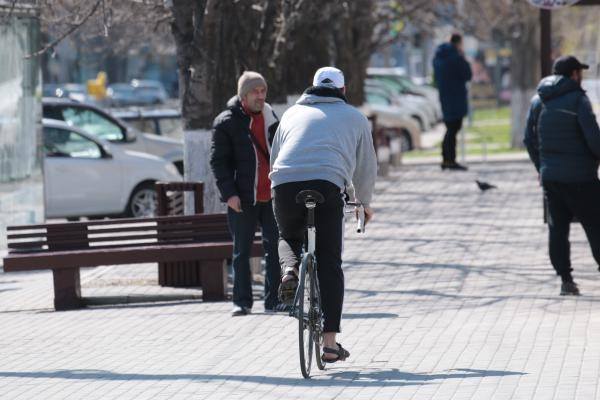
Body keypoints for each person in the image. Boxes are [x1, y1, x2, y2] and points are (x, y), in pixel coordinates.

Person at [270, 67, 377, 363]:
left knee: (288, 235)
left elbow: (274, 154)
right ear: (343, 91)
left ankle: (289, 270)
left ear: (312, 88)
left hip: (285, 183)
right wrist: (364, 203)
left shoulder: (291, 114)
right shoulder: (355, 118)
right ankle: (330, 344)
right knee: (330, 262)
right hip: (327, 184)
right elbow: (366, 167)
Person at [210, 71, 285, 316]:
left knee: (275, 249)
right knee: (241, 251)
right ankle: (241, 302)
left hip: (272, 196)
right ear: (243, 95)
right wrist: (229, 194)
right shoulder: (226, 122)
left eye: (263, 91)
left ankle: (274, 300)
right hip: (242, 198)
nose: (260, 96)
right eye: (255, 92)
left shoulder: (272, 117)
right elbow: (218, 162)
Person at [524, 55, 600, 296]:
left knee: (558, 229)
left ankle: (566, 280)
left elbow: (529, 139)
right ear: (573, 74)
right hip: (581, 178)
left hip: (551, 179)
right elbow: (593, 138)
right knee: (595, 225)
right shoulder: (578, 100)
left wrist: (541, 166)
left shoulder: (538, 100)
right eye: (580, 73)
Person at [432, 33, 473, 171]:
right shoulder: (456, 57)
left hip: (444, 96)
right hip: (456, 97)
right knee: (453, 128)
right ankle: (450, 160)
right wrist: (462, 56)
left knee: (450, 128)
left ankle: (446, 159)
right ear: (458, 43)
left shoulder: (438, 57)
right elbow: (468, 74)